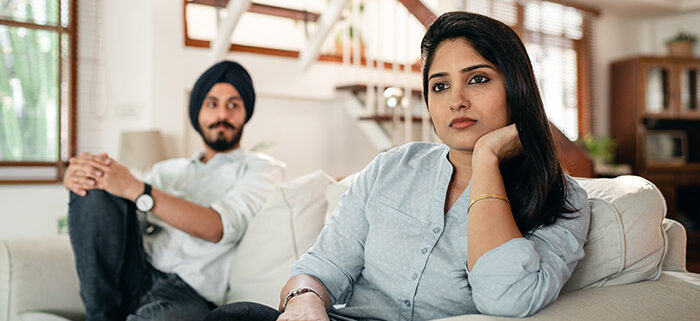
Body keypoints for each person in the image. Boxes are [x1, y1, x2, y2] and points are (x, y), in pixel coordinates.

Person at [206, 11, 591, 321]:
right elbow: (322, 266)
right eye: (440, 86)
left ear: (517, 86)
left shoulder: (562, 199)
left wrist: (487, 158)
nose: (456, 100)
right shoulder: (391, 168)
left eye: (477, 79)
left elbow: (506, 297)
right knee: (235, 316)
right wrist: (304, 300)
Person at [64, 60, 285, 321]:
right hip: (136, 273)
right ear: (198, 112)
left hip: (189, 295)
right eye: (212, 104)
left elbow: (220, 227)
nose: (222, 115)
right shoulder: (167, 171)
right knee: (97, 187)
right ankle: (99, 316)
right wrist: (80, 176)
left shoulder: (261, 169)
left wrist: (139, 190)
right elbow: (113, 216)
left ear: (245, 112)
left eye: (233, 105)